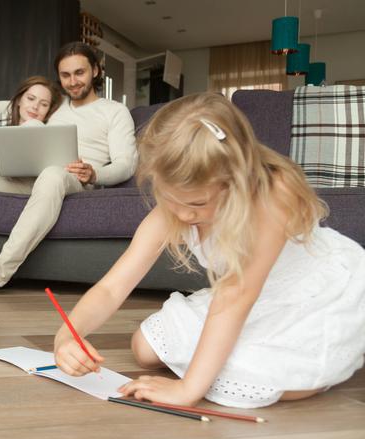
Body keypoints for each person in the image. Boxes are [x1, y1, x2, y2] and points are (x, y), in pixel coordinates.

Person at [53, 92, 365, 409]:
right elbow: (112, 287)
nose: (182, 214)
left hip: (310, 294)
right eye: (170, 198)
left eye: (197, 203)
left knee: (253, 376)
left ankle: (317, 369)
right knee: (145, 348)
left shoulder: (271, 196)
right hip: (242, 296)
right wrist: (66, 336)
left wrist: (188, 389)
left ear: (235, 180)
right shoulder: (173, 209)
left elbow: (237, 296)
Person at [0, 42, 137, 299]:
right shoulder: (55, 107)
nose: (73, 81)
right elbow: (14, 104)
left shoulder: (115, 111)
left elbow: (126, 163)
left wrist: (94, 173)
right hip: (27, 178)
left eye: (79, 73)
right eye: (65, 75)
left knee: (53, 173)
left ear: (96, 71)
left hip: (72, 179)